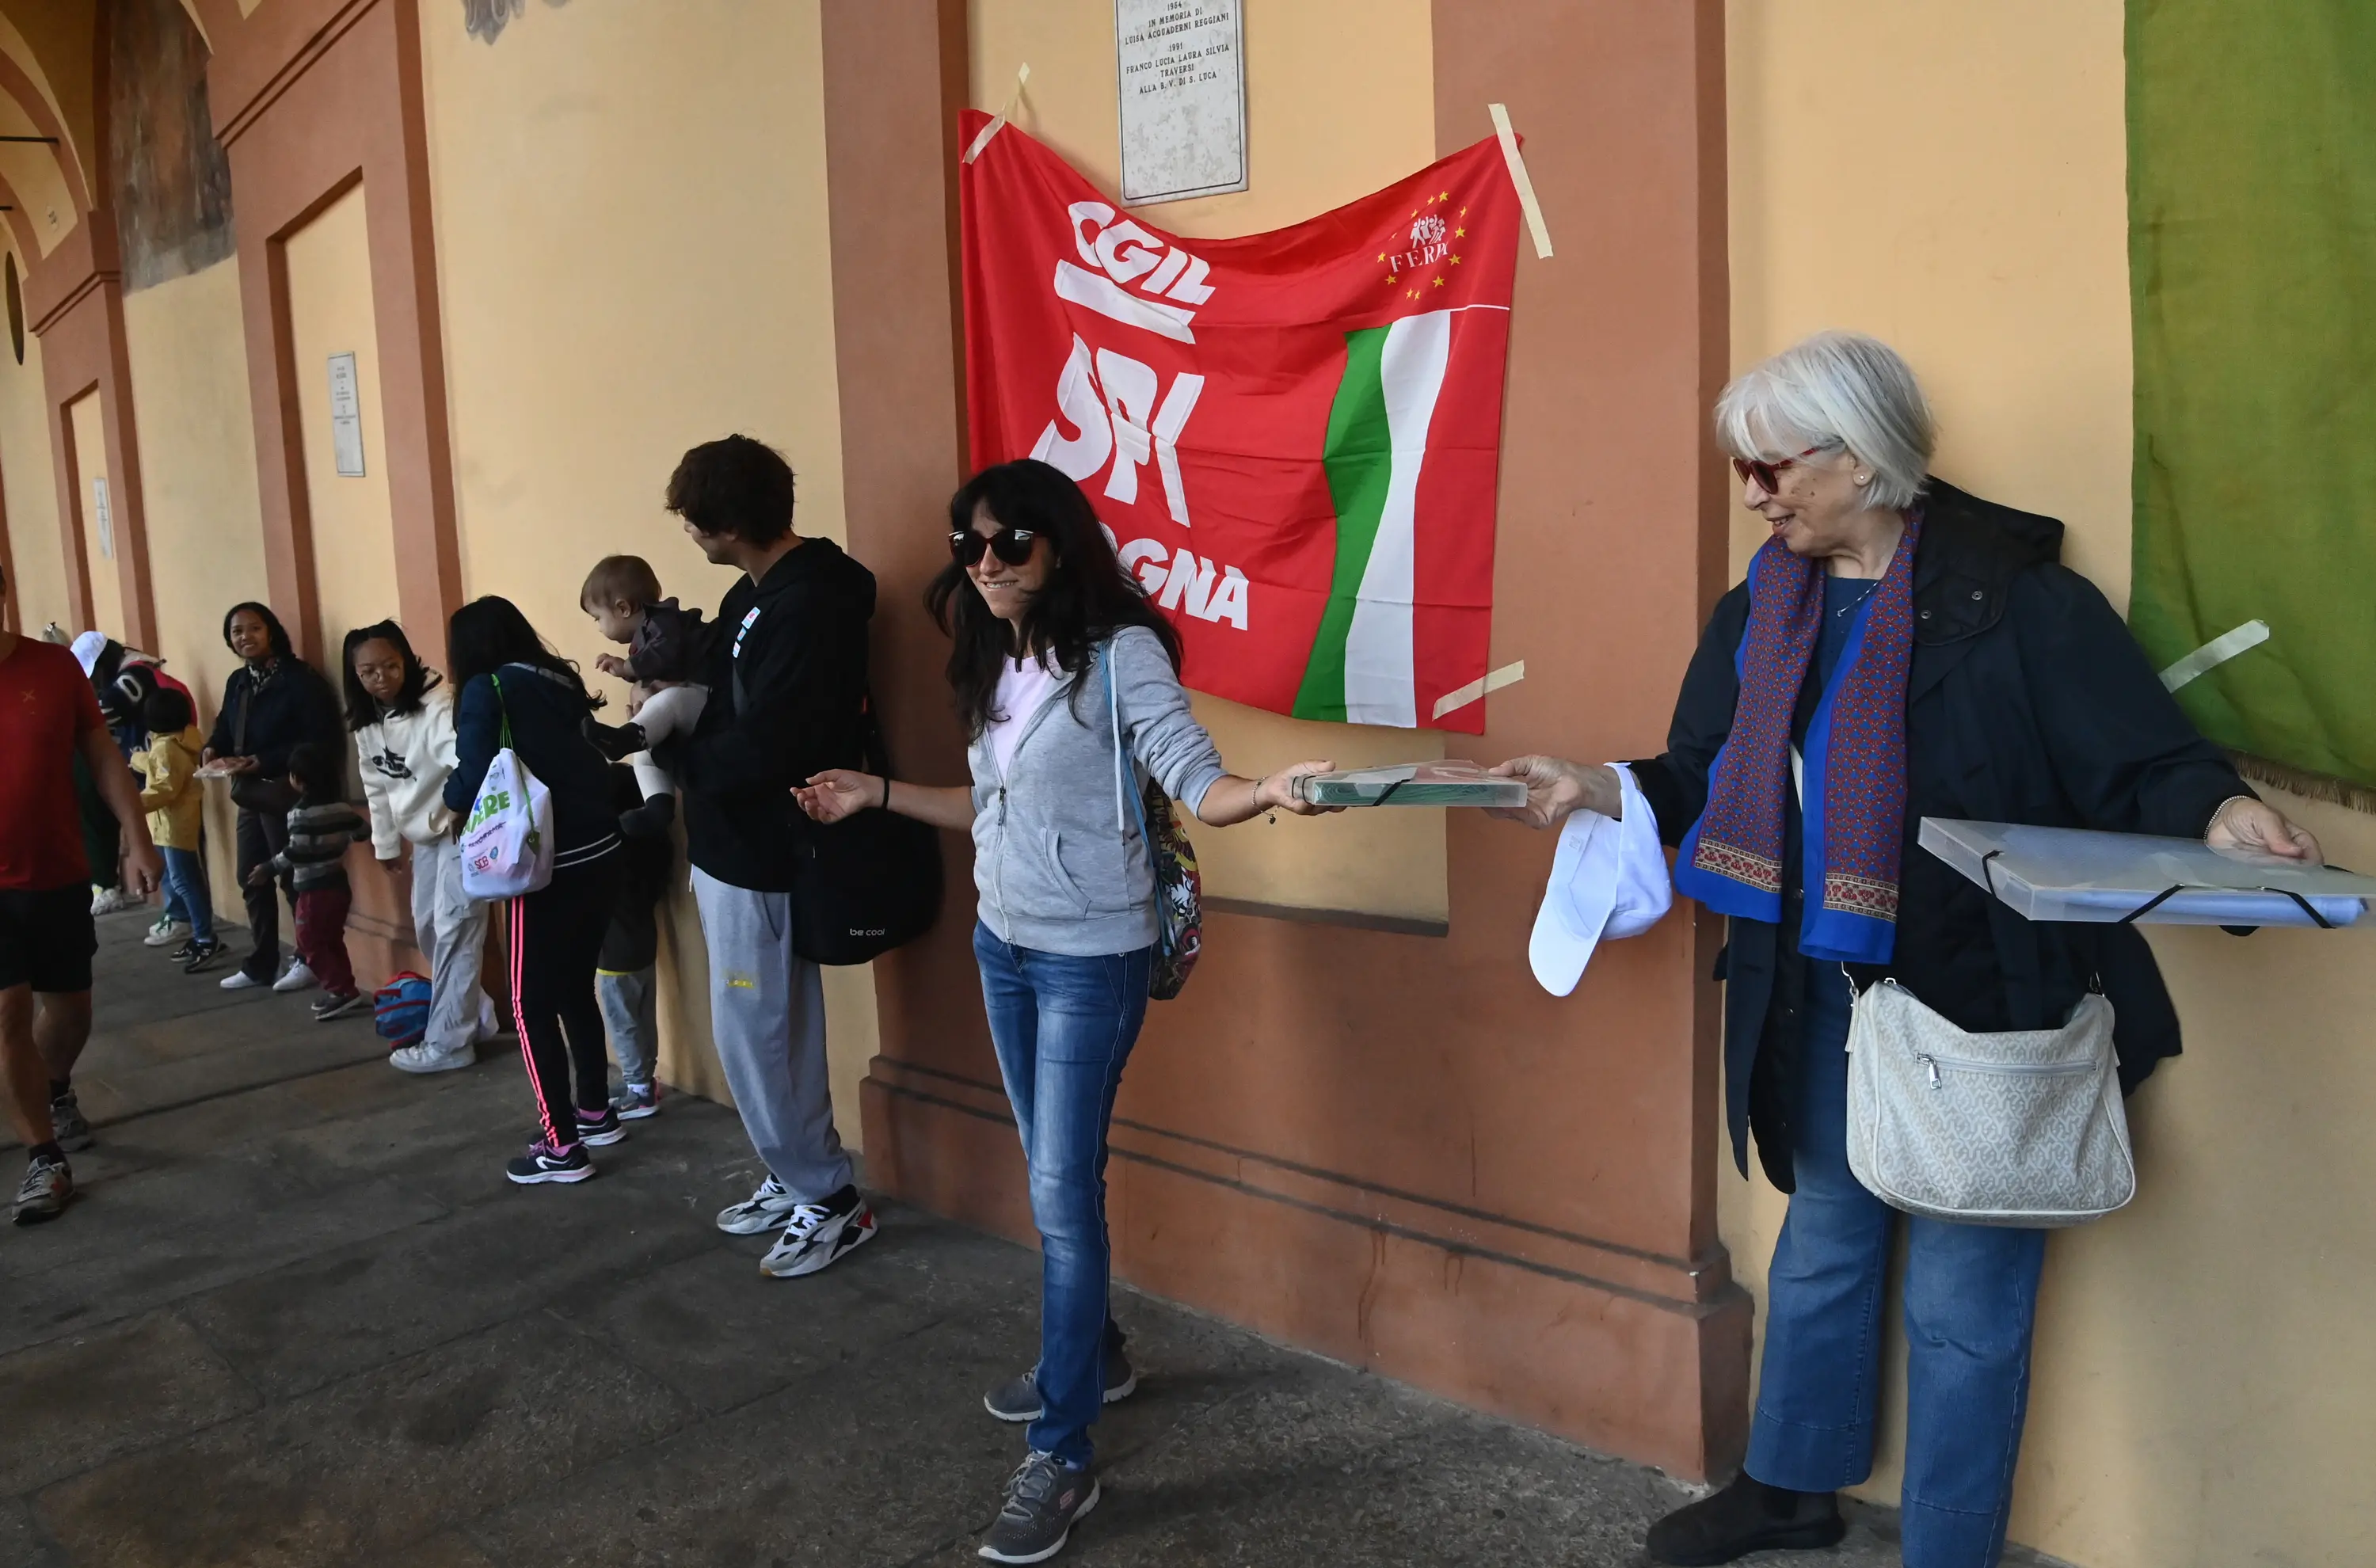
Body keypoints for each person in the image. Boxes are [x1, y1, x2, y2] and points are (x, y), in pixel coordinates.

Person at [1485, 331, 2321, 1568]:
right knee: (1823, 1235)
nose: (1759, 494)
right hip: (1811, 979)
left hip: (1986, 993)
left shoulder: (2017, 602)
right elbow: (1696, 775)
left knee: (1965, 1301)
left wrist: (2220, 813)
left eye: (1775, 467)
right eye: (1745, 473)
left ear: (1863, 459)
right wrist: (1593, 788)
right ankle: (1792, 1485)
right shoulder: (1764, 606)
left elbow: (2140, 756)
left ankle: (1947, 1546)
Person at [796, 459, 1338, 1566]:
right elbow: (993, 803)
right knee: (1058, 1171)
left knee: (1056, 1188)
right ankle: (1098, 1356)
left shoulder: (1119, 656)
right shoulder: (994, 658)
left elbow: (1195, 774)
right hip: (1004, 945)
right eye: (970, 547)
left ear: (1058, 545)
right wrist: (875, 794)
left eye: (1010, 544)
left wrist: (1268, 792)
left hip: (1093, 955)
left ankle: (1065, 1449)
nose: (987, 566)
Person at [653, 435, 878, 1274]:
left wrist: (671, 763)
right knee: (770, 1028)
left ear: (727, 524)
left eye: (693, 521)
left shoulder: (809, 603)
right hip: (729, 844)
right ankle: (801, 1171)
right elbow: (719, 692)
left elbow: (776, 742)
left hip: (764, 848)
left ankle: (829, 1200)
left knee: (757, 1030)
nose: (691, 537)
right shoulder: (759, 595)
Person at [0, 561, 164, 1224]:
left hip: (57, 872)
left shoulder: (52, 668)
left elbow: (102, 756)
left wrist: (138, 834)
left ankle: (54, 1087)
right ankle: (44, 1157)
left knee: (69, 1014)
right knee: (8, 1008)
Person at [442, 596, 623, 1184]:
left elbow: (473, 772)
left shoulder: (486, 689)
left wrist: (451, 803)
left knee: (528, 1004)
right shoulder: (559, 678)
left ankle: (562, 1145)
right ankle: (595, 1110)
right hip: (601, 850)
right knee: (574, 988)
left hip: (539, 862)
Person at [347, 620, 495, 1074]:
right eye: (368, 671)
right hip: (423, 838)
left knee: (456, 929)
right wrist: (385, 843)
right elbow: (376, 785)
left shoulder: (438, 706)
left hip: (459, 828)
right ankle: (476, 1018)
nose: (382, 679)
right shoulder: (368, 722)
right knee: (430, 928)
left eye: (391, 666)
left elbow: (465, 761)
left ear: (407, 661)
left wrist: (461, 813)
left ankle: (450, 1042)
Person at [204, 602, 345, 995]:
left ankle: (308, 957)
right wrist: (213, 750)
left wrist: (263, 759)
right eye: (237, 632)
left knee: (290, 875)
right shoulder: (239, 681)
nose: (245, 637)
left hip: (286, 791)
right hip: (250, 792)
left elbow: (319, 737)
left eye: (254, 628)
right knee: (250, 875)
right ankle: (262, 961)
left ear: (272, 632)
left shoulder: (299, 680)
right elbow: (224, 726)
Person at [578, 554, 713, 836]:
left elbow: (665, 654)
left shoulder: (664, 622)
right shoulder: (646, 634)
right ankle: (657, 806)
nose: (599, 627)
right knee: (645, 748)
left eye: (598, 619)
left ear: (623, 608)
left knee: (669, 700)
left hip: (705, 698)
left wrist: (627, 667)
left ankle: (625, 737)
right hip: (685, 707)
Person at [253, 741, 371, 1022]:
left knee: (310, 943)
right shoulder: (341, 808)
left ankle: (341, 990)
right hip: (339, 885)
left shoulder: (299, 814)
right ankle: (345, 989)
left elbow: (296, 850)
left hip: (314, 889)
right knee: (332, 939)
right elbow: (362, 832)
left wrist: (268, 868)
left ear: (299, 780)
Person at [595, 764, 673, 1121]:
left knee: (623, 1021)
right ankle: (645, 1080)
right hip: (643, 946)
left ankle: (639, 1090)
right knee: (643, 1015)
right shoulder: (652, 842)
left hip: (613, 955)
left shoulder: (612, 847)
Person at [132, 686, 222, 972]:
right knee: (187, 880)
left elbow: (164, 788)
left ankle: (205, 938)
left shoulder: (165, 748)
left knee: (185, 883)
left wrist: (131, 804)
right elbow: (161, 765)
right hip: (179, 823)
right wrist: (137, 758)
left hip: (171, 827)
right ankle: (202, 934)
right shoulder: (185, 739)